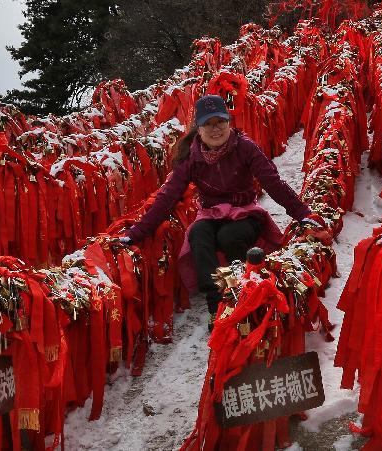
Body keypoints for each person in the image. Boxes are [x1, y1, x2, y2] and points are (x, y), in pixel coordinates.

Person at [121, 95, 323, 328]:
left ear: (229, 122)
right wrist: (136, 233)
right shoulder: (191, 157)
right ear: (199, 128)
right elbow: (168, 196)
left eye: (220, 122)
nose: (215, 129)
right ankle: (216, 303)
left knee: (230, 236)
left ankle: (242, 292)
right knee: (199, 235)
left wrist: (302, 214)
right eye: (208, 124)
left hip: (245, 212)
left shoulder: (245, 147)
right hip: (211, 213)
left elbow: (273, 183)